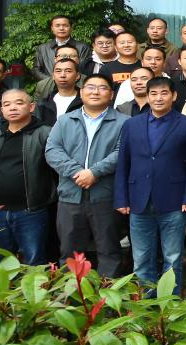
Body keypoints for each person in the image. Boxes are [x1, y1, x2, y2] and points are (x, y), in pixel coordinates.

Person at [114, 76, 186, 296]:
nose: (158, 98)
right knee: (142, 259)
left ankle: (169, 305)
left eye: (164, 93)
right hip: (138, 200)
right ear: (147, 96)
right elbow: (123, 163)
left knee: (173, 258)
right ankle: (146, 305)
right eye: (153, 93)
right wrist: (121, 198)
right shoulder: (131, 124)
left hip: (174, 201)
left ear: (174, 96)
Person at [44, 73, 126, 276]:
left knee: (109, 250)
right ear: (81, 93)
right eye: (90, 87)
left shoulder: (124, 122)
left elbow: (123, 152)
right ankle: (72, 292)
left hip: (106, 195)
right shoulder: (65, 120)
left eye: (102, 88)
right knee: (70, 252)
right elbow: (52, 151)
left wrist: (95, 172)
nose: (95, 92)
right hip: (70, 195)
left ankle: (108, 293)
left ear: (111, 95)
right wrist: (78, 172)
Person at [0, 89, 56, 264]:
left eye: (19, 103)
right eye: (6, 104)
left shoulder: (45, 133)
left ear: (31, 107)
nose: (12, 108)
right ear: (2, 110)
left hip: (31, 210)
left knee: (34, 262)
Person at [32, 14, 90, 82]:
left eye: (65, 25)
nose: (61, 28)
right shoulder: (42, 48)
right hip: (49, 85)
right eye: (57, 25)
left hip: (75, 85)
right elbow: (36, 70)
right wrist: (52, 81)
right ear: (52, 28)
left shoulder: (83, 47)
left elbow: (84, 69)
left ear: (71, 28)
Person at [36, 55, 83, 125]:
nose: (62, 75)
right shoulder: (44, 103)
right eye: (58, 71)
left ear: (77, 76)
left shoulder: (85, 101)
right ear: (53, 76)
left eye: (68, 71)